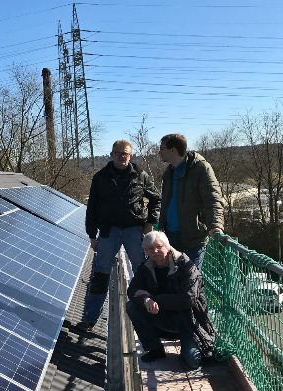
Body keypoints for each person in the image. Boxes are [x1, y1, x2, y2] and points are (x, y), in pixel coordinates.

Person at [77, 139, 161, 332]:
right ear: (112, 154)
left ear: (130, 156)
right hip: (109, 231)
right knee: (100, 274)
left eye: (126, 154)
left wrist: (149, 224)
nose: (122, 156)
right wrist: (92, 235)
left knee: (142, 272)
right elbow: (92, 208)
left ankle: (148, 315)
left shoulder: (141, 175)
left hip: (135, 231)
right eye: (118, 153)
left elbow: (156, 199)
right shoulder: (100, 177)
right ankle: (90, 319)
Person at [126, 231, 215, 369]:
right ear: (146, 251)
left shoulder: (187, 266)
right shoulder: (146, 267)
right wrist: (145, 299)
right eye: (150, 249)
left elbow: (187, 299)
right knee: (132, 306)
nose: (155, 251)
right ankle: (155, 349)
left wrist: (154, 299)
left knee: (193, 362)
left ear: (167, 246)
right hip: (162, 318)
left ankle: (189, 344)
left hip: (188, 321)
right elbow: (132, 290)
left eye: (159, 246)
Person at [158, 133, 225, 267]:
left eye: (162, 148)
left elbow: (213, 198)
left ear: (173, 150)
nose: (160, 152)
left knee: (191, 282)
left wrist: (215, 225)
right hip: (170, 236)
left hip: (192, 238)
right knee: (172, 279)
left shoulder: (200, 168)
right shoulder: (169, 172)